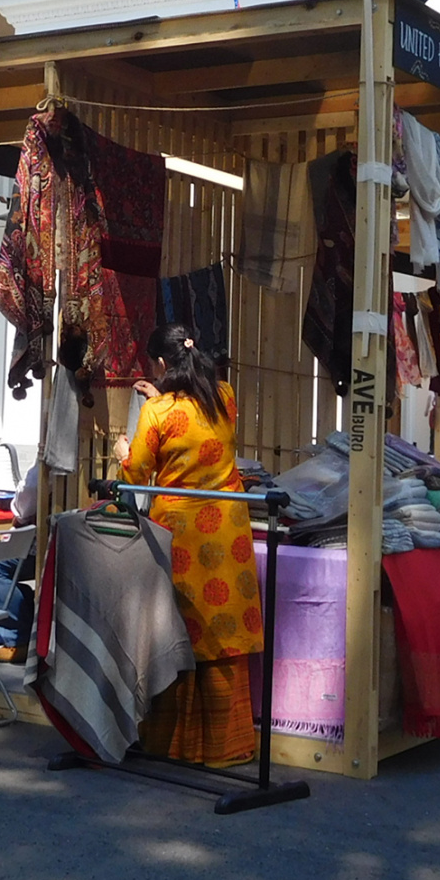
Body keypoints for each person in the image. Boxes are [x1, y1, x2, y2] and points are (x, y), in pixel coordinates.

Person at [116, 323, 262, 766]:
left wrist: (124, 449)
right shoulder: (226, 395)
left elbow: (136, 474)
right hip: (229, 531)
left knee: (178, 632)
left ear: (160, 365)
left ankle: (170, 744)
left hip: (181, 537)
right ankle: (227, 747)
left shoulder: (158, 413)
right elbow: (200, 431)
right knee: (219, 632)